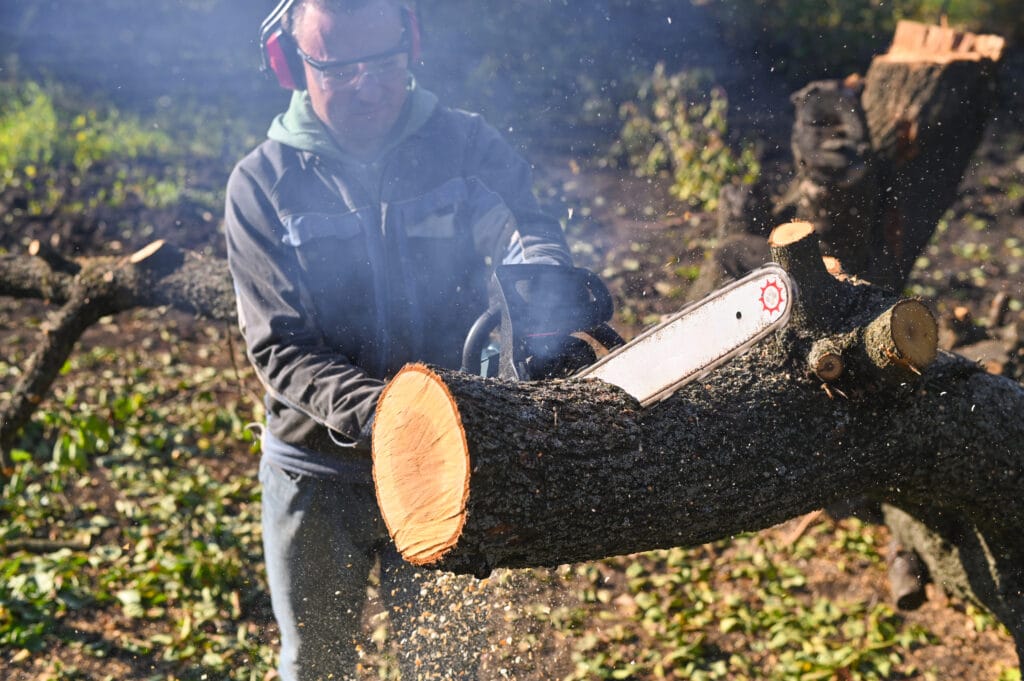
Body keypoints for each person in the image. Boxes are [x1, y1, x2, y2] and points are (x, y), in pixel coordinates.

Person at [224, 0, 573, 678]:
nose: (370, 85)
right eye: (342, 68)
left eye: (385, 62)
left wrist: (541, 292)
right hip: (317, 471)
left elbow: (526, 232)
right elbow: (280, 349)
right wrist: (394, 414)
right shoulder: (263, 185)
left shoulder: (465, 146)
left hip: (449, 462)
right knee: (316, 661)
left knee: (446, 663)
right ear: (291, 64)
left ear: (411, 44)